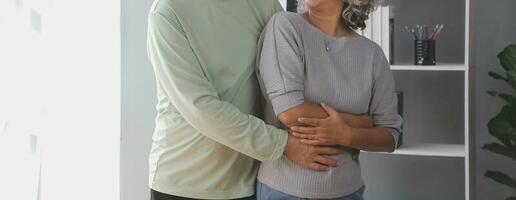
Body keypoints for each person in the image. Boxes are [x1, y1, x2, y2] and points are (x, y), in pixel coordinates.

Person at [145, 0, 373, 199]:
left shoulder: (263, 4)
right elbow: (200, 108)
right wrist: (283, 144)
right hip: (186, 183)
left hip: (253, 178)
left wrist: (345, 128)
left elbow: (302, 71)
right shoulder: (168, 11)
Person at [255, 0, 403, 199]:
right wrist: (362, 122)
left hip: (350, 191)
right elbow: (289, 111)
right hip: (285, 191)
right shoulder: (285, 26)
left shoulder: (372, 54)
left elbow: (390, 136)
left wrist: (347, 135)